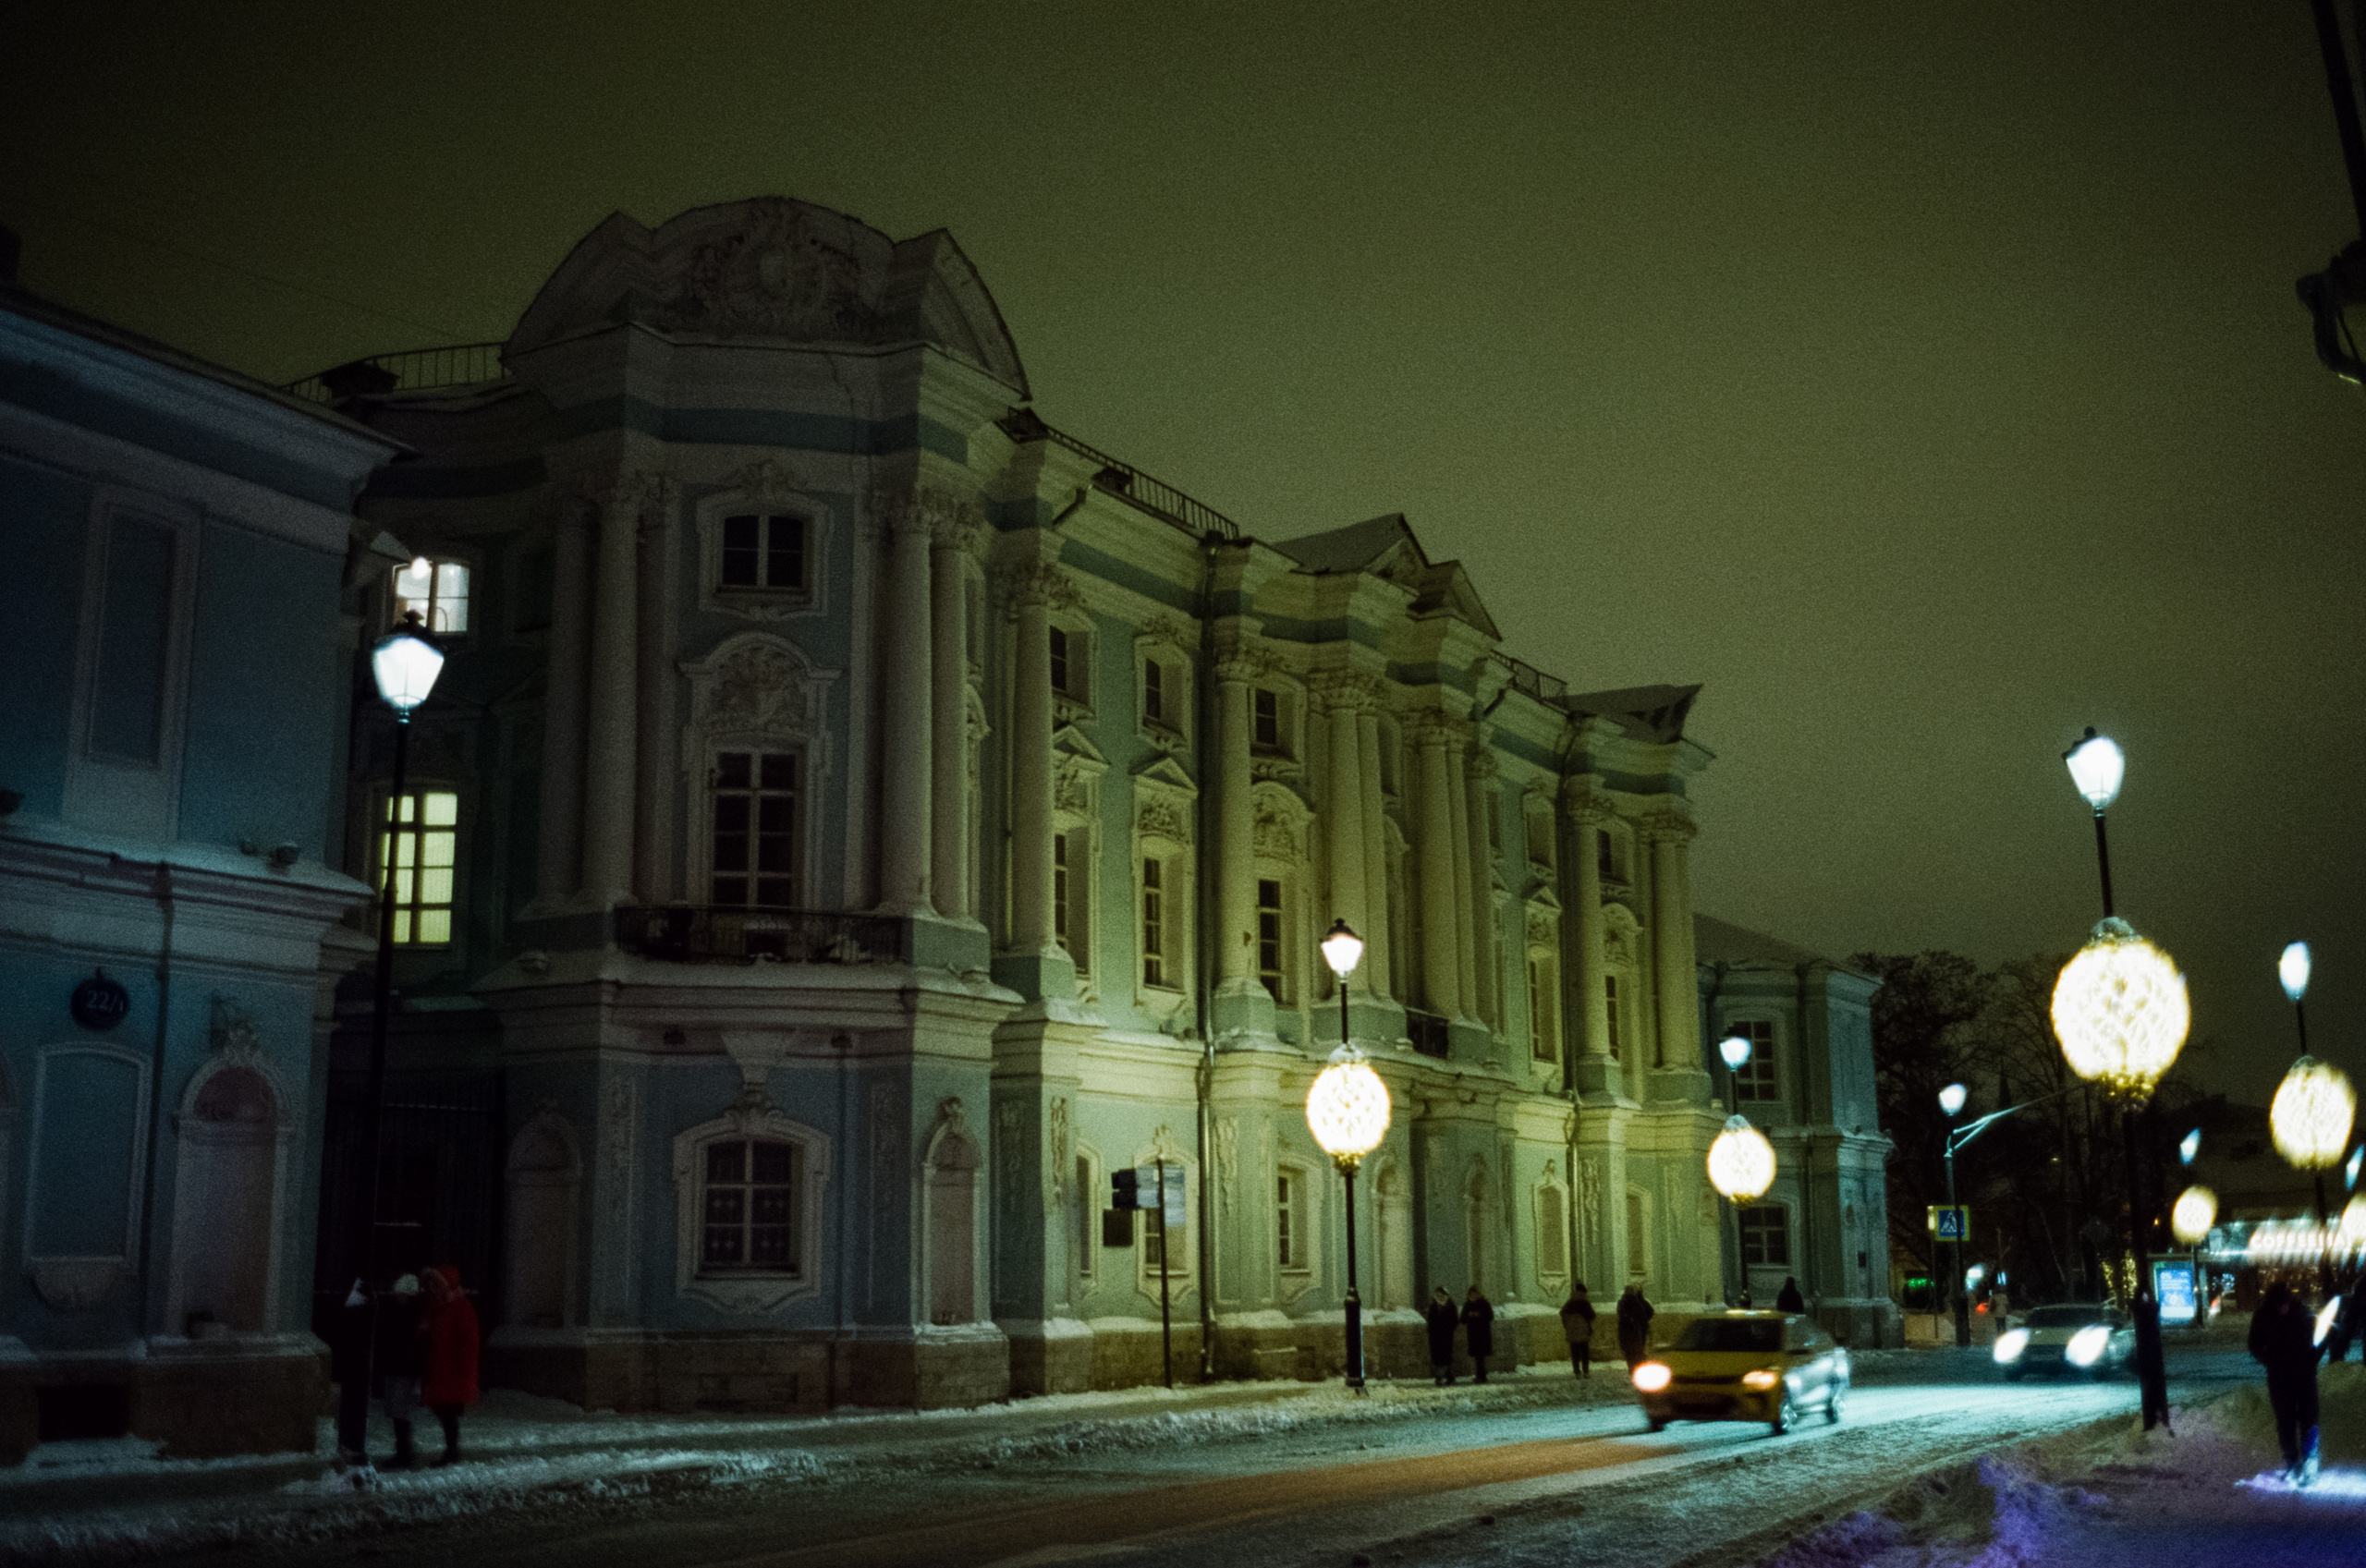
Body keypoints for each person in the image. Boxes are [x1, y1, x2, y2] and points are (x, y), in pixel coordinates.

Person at [2250, 1281, 2323, 1483]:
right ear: (2271, 1305)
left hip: (2304, 1375)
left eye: (2285, 1304)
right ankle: (2293, 1462)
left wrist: (2313, 1357)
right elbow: (2254, 1344)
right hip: (2280, 1378)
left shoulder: (2302, 1313)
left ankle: (2310, 1461)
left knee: (2308, 1418)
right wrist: (2271, 1361)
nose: (2283, 1309)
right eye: (2279, 1306)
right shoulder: (2264, 1316)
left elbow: (2320, 1337)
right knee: (2286, 1421)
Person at [421, 1265, 481, 1466]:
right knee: (444, 1411)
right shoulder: (439, 1307)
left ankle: (452, 1451)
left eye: (437, 1284)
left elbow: (469, 1340)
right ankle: (451, 1450)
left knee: (448, 1412)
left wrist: (463, 1367)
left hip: (452, 1370)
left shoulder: (459, 1307)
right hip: (442, 1367)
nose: (433, 1288)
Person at [376, 1274, 426, 1468]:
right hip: (400, 1368)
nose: (399, 1297)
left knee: (400, 1413)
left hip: (404, 1369)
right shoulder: (406, 1313)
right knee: (399, 1413)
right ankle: (404, 1452)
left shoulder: (408, 1315)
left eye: (402, 1294)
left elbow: (408, 1344)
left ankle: (404, 1453)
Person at [332, 1278, 374, 1476]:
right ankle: (352, 1447)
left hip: (354, 1368)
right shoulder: (364, 1309)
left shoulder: (356, 1311)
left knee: (352, 1405)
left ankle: (351, 1447)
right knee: (353, 1406)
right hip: (356, 1368)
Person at [1559, 1283, 1597, 1378]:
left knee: (1574, 1352)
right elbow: (1592, 1316)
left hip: (1572, 1332)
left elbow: (1562, 1313)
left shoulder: (1570, 1302)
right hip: (1584, 1331)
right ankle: (1586, 1371)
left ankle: (1577, 1372)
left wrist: (1568, 1325)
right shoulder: (1585, 1303)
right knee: (1584, 1353)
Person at [1425, 1286, 1460, 1385]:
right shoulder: (1433, 1306)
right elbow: (1430, 1320)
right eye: (1437, 1295)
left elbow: (1455, 1320)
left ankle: (1446, 1377)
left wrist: (1448, 1329)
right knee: (1437, 1357)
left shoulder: (1450, 1306)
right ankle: (1442, 1377)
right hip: (1435, 1336)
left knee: (1446, 1356)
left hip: (1446, 1335)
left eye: (1441, 1295)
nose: (1439, 1297)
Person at [1461, 1286, 1496, 1383]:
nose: (1473, 1296)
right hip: (1473, 1334)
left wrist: (1479, 1315)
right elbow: (1462, 1319)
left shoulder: (1484, 1303)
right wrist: (1469, 1316)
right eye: (1471, 1295)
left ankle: (1481, 1376)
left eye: (1475, 1294)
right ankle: (1481, 1376)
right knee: (1478, 1357)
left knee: (1480, 1357)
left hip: (1482, 1334)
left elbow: (1490, 1316)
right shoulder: (1467, 1305)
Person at [1616, 1284, 1654, 1368]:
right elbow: (1646, 1316)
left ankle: (1631, 1368)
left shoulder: (1621, 1303)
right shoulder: (1637, 1303)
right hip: (1636, 1332)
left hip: (1625, 1332)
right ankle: (1638, 1369)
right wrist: (1645, 1328)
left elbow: (1621, 1320)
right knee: (1638, 1353)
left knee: (1628, 1353)